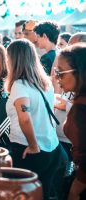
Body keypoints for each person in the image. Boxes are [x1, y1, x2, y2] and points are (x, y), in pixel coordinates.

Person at [5, 39, 67, 199]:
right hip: (51, 147)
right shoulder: (45, 83)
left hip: (29, 149)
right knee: (43, 194)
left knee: (24, 194)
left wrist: (33, 145)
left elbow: (24, 118)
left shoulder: (20, 85)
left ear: (13, 60)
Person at [58, 44, 86, 200]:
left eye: (61, 73)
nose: (57, 78)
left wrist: (76, 188)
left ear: (80, 72)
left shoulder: (82, 108)